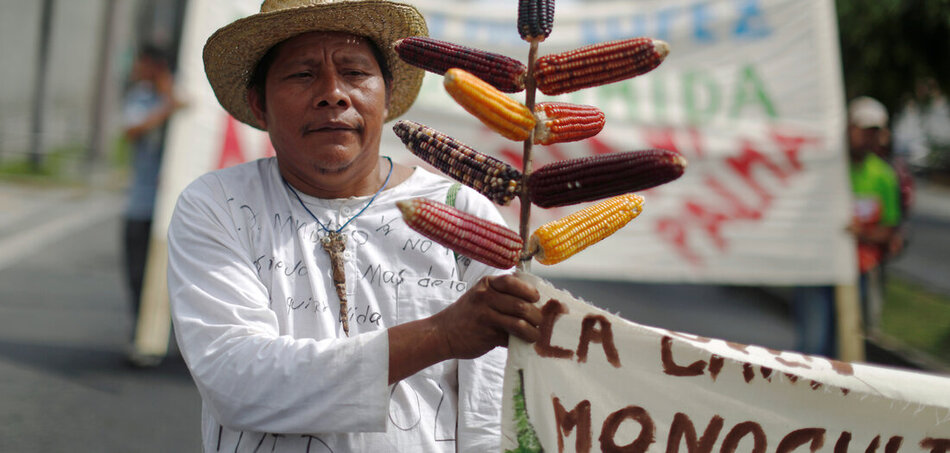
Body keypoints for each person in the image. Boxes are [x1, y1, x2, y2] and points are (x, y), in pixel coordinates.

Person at [167, 1, 542, 451]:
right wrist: (439, 336)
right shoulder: (218, 206)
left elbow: (490, 411)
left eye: (355, 73)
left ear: (386, 96)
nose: (333, 94)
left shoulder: (462, 212)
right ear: (258, 104)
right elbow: (237, 381)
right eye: (303, 75)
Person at [121, 44, 183, 358]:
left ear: (155, 66)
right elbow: (131, 130)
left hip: (176, 208)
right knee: (137, 275)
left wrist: (174, 102)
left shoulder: (188, 100)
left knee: (177, 279)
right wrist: (165, 108)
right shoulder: (141, 98)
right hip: (141, 205)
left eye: (140, 62)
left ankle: (175, 341)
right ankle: (143, 337)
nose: (135, 68)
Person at [847, 96, 902, 331]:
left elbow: (889, 231)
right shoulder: (832, 170)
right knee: (812, 347)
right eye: (864, 130)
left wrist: (861, 233)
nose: (868, 138)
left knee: (850, 342)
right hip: (822, 271)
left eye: (874, 132)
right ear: (850, 128)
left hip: (860, 271)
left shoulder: (885, 176)